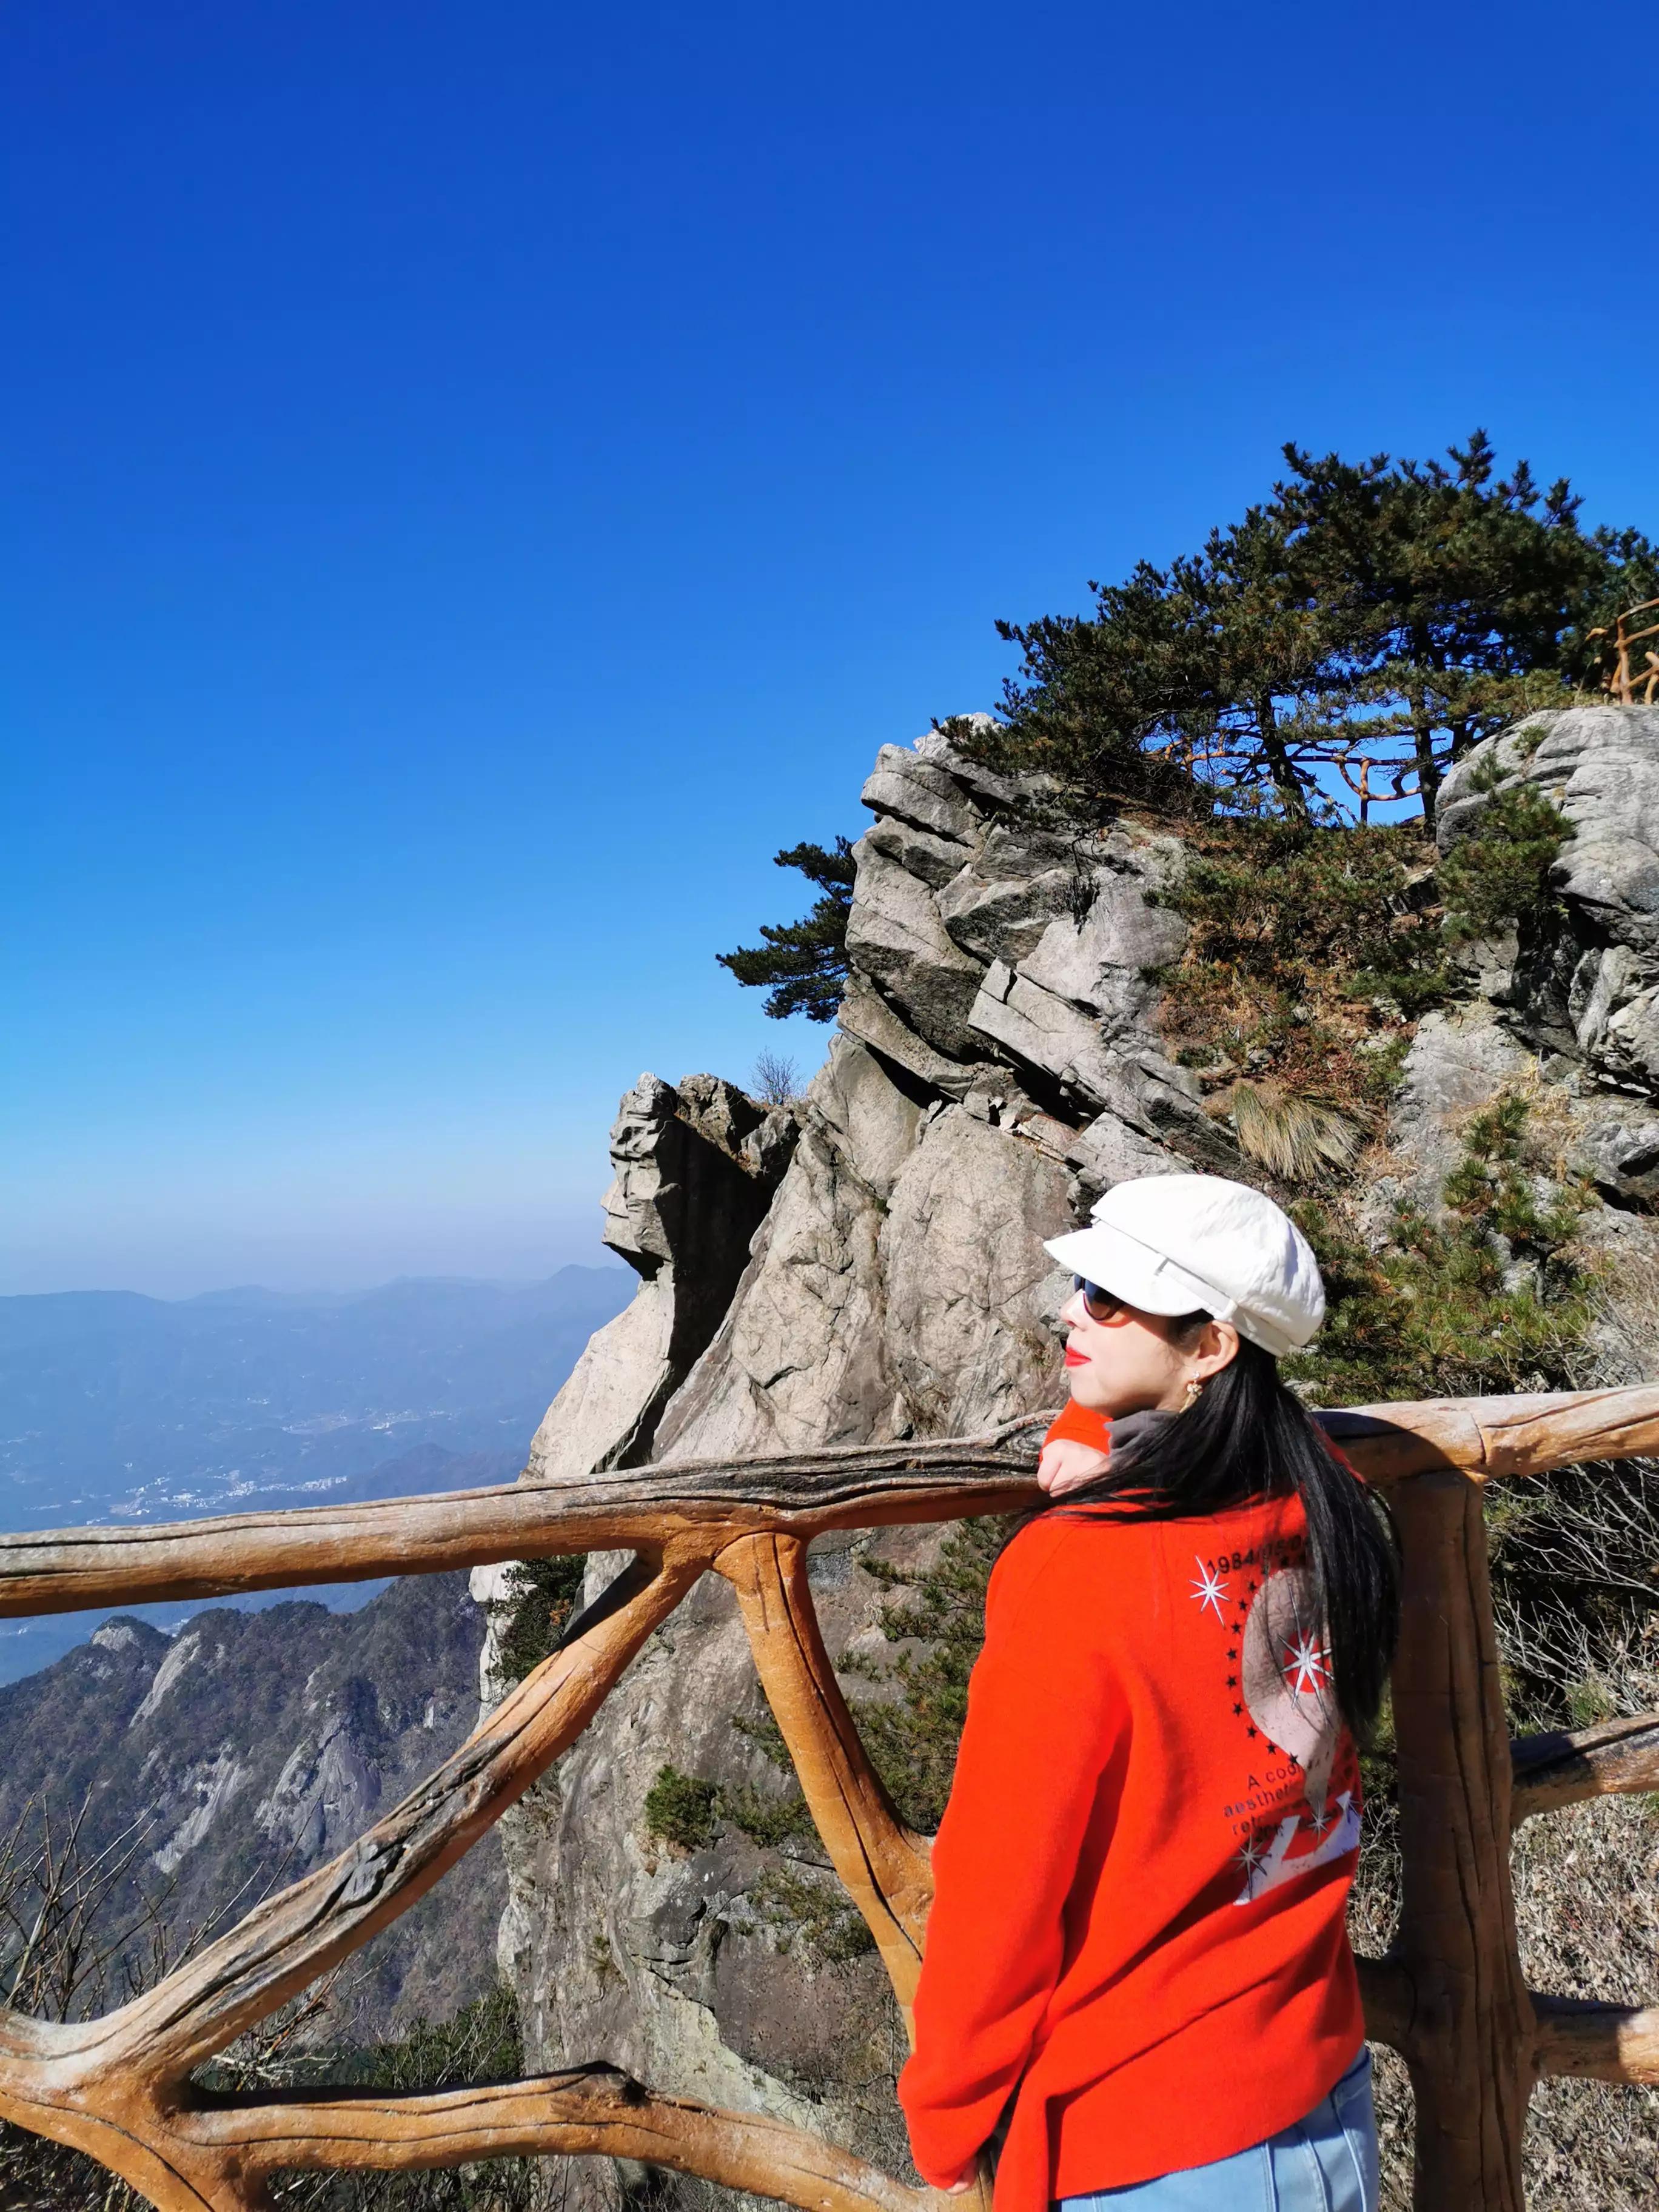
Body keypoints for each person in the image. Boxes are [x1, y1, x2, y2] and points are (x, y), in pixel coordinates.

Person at [897, 1173, 1399, 2212]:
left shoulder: (1078, 1574)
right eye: (1084, 1283)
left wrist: (948, 2117)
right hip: (1324, 2090)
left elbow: (1003, 1881)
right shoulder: (1330, 1502)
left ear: (1210, 1345)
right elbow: (1210, 1436)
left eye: (1112, 1299)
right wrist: (1088, 1425)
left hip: (1155, 2141)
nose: (1074, 1312)